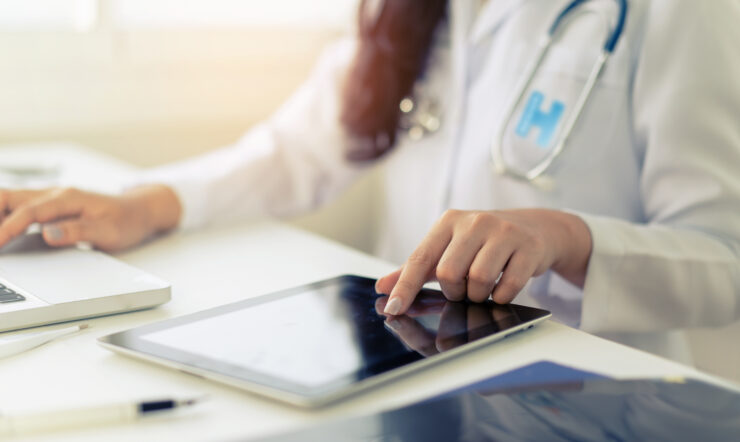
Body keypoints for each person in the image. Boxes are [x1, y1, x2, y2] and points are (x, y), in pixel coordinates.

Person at [0, 0, 739, 363]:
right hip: (413, 369)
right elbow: (298, 150)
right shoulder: (410, 10)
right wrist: (144, 205)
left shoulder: (674, 13)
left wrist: (568, 237)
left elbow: (725, 262)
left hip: (587, 390)